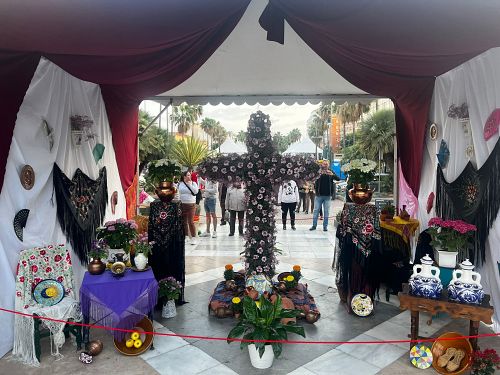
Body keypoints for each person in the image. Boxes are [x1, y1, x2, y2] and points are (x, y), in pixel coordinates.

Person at [148, 185, 186, 303]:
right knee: (158, 265)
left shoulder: (176, 205)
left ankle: (173, 292)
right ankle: (158, 294)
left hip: (172, 243)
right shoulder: (154, 205)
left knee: (172, 264)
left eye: (168, 190)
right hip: (158, 243)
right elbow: (153, 223)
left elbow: (179, 226)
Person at [310, 160, 340, 231]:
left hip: (327, 196)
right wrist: (318, 175)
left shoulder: (330, 171)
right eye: (324, 164)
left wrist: (332, 174)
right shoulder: (318, 171)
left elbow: (338, 178)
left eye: (327, 164)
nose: (325, 165)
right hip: (318, 195)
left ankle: (325, 227)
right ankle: (314, 226)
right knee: (316, 210)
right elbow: (312, 178)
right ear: (322, 164)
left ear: (328, 165)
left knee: (326, 211)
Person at [178, 171, 199, 244]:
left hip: (191, 205)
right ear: (184, 176)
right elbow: (180, 191)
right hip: (182, 204)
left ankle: (193, 237)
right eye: (187, 175)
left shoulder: (194, 183)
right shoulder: (180, 184)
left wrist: (190, 185)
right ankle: (186, 236)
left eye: (189, 175)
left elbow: (196, 191)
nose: (189, 177)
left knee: (191, 222)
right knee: (184, 222)